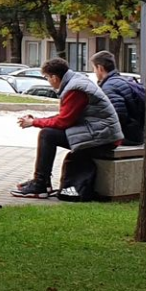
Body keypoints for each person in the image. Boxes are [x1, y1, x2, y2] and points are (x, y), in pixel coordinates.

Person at [13, 56, 125, 200]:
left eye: (47, 77)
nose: (48, 81)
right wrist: (36, 120)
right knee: (48, 133)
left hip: (103, 138)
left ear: (54, 77)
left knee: (47, 135)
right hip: (99, 133)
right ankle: (43, 183)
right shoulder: (75, 82)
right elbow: (65, 116)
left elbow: (63, 122)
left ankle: (40, 184)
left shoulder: (75, 89)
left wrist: (34, 122)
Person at [94, 51, 146, 147]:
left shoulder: (109, 87)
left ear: (100, 68)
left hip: (125, 138)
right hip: (138, 135)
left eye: (94, 68)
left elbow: (118, 115)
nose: (94, 72)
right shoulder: (122, 81)